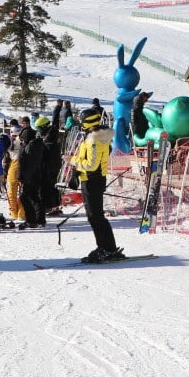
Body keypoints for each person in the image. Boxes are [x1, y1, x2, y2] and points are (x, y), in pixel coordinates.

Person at [71, 108, 123, 263]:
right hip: (91, 179)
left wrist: (72, 161)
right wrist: (78, 171)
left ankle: (107, 248)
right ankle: (105, 246)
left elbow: (92, 165)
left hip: (93, 180)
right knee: (94, 216)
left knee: (96, 216)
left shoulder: (94, 139)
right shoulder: (94, 137)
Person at [18, 124, 46, 229]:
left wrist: (20, 178)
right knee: (34, 197)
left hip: (28, 176)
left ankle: (31, 220)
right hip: (37, 175)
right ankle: (40, 219)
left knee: (24, 197)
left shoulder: (27, 147)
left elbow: (22, 162)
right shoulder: (38, 144)